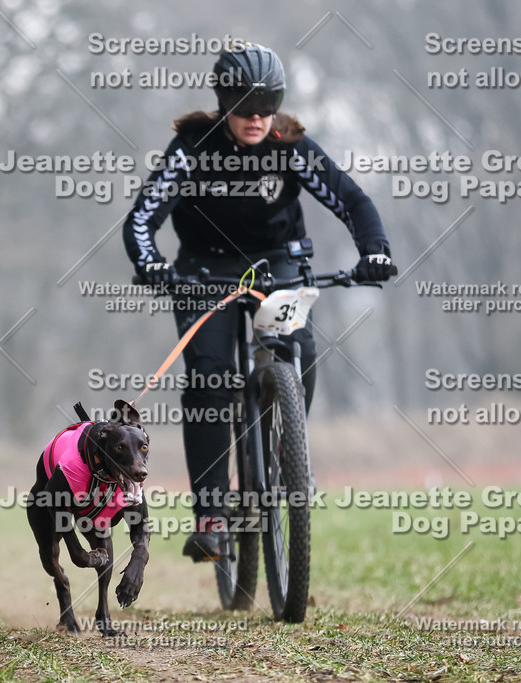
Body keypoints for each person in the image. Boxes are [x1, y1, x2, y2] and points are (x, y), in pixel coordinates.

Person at [122, 42, 394, 561]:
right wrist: (151, 264)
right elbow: (142, 217)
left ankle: (291, 450)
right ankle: (211, 514)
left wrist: (375, 251)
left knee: (299, 346)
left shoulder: (291, 143)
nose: (257, 117)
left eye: (267, 106)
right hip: (205, 273)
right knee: (210, 378)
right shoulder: (192, 146)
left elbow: (353, 200)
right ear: (224, 102)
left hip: (279, 265)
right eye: (245, 106)